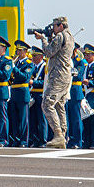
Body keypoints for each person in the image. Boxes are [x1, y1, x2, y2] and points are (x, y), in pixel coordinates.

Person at [34, 17, 74, 149]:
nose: (53, 29)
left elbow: (49, 52)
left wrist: (43, 39)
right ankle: (62, 134)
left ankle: (58, 135)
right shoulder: (69, 36)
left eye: (55, 26)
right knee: (59, 105)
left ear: (61, 26)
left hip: (57, 76)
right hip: (65, 75)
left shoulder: (60, 36)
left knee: (47, 103)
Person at [8, 40, 33, 147]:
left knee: (23, 119)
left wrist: (14, 68)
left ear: (25, 51)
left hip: (22, 93)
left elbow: (25, 77)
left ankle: (23, 141)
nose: (17, 53)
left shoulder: (29, 63)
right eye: (17, 50)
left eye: (20, 50)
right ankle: (16, 139)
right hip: (14, 92)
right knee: (14, 118)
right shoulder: (17, 63)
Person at [27, 45, 47, 147]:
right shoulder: (33, 67)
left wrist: (33, 82)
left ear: (41, 56)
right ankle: (34, 140)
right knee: (33, 119)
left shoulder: (45, 67)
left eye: (35, 56)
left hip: (41, 94)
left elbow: (46, 82)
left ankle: (43, 140)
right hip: (33, 95)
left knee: (41, 119)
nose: (33, 58)